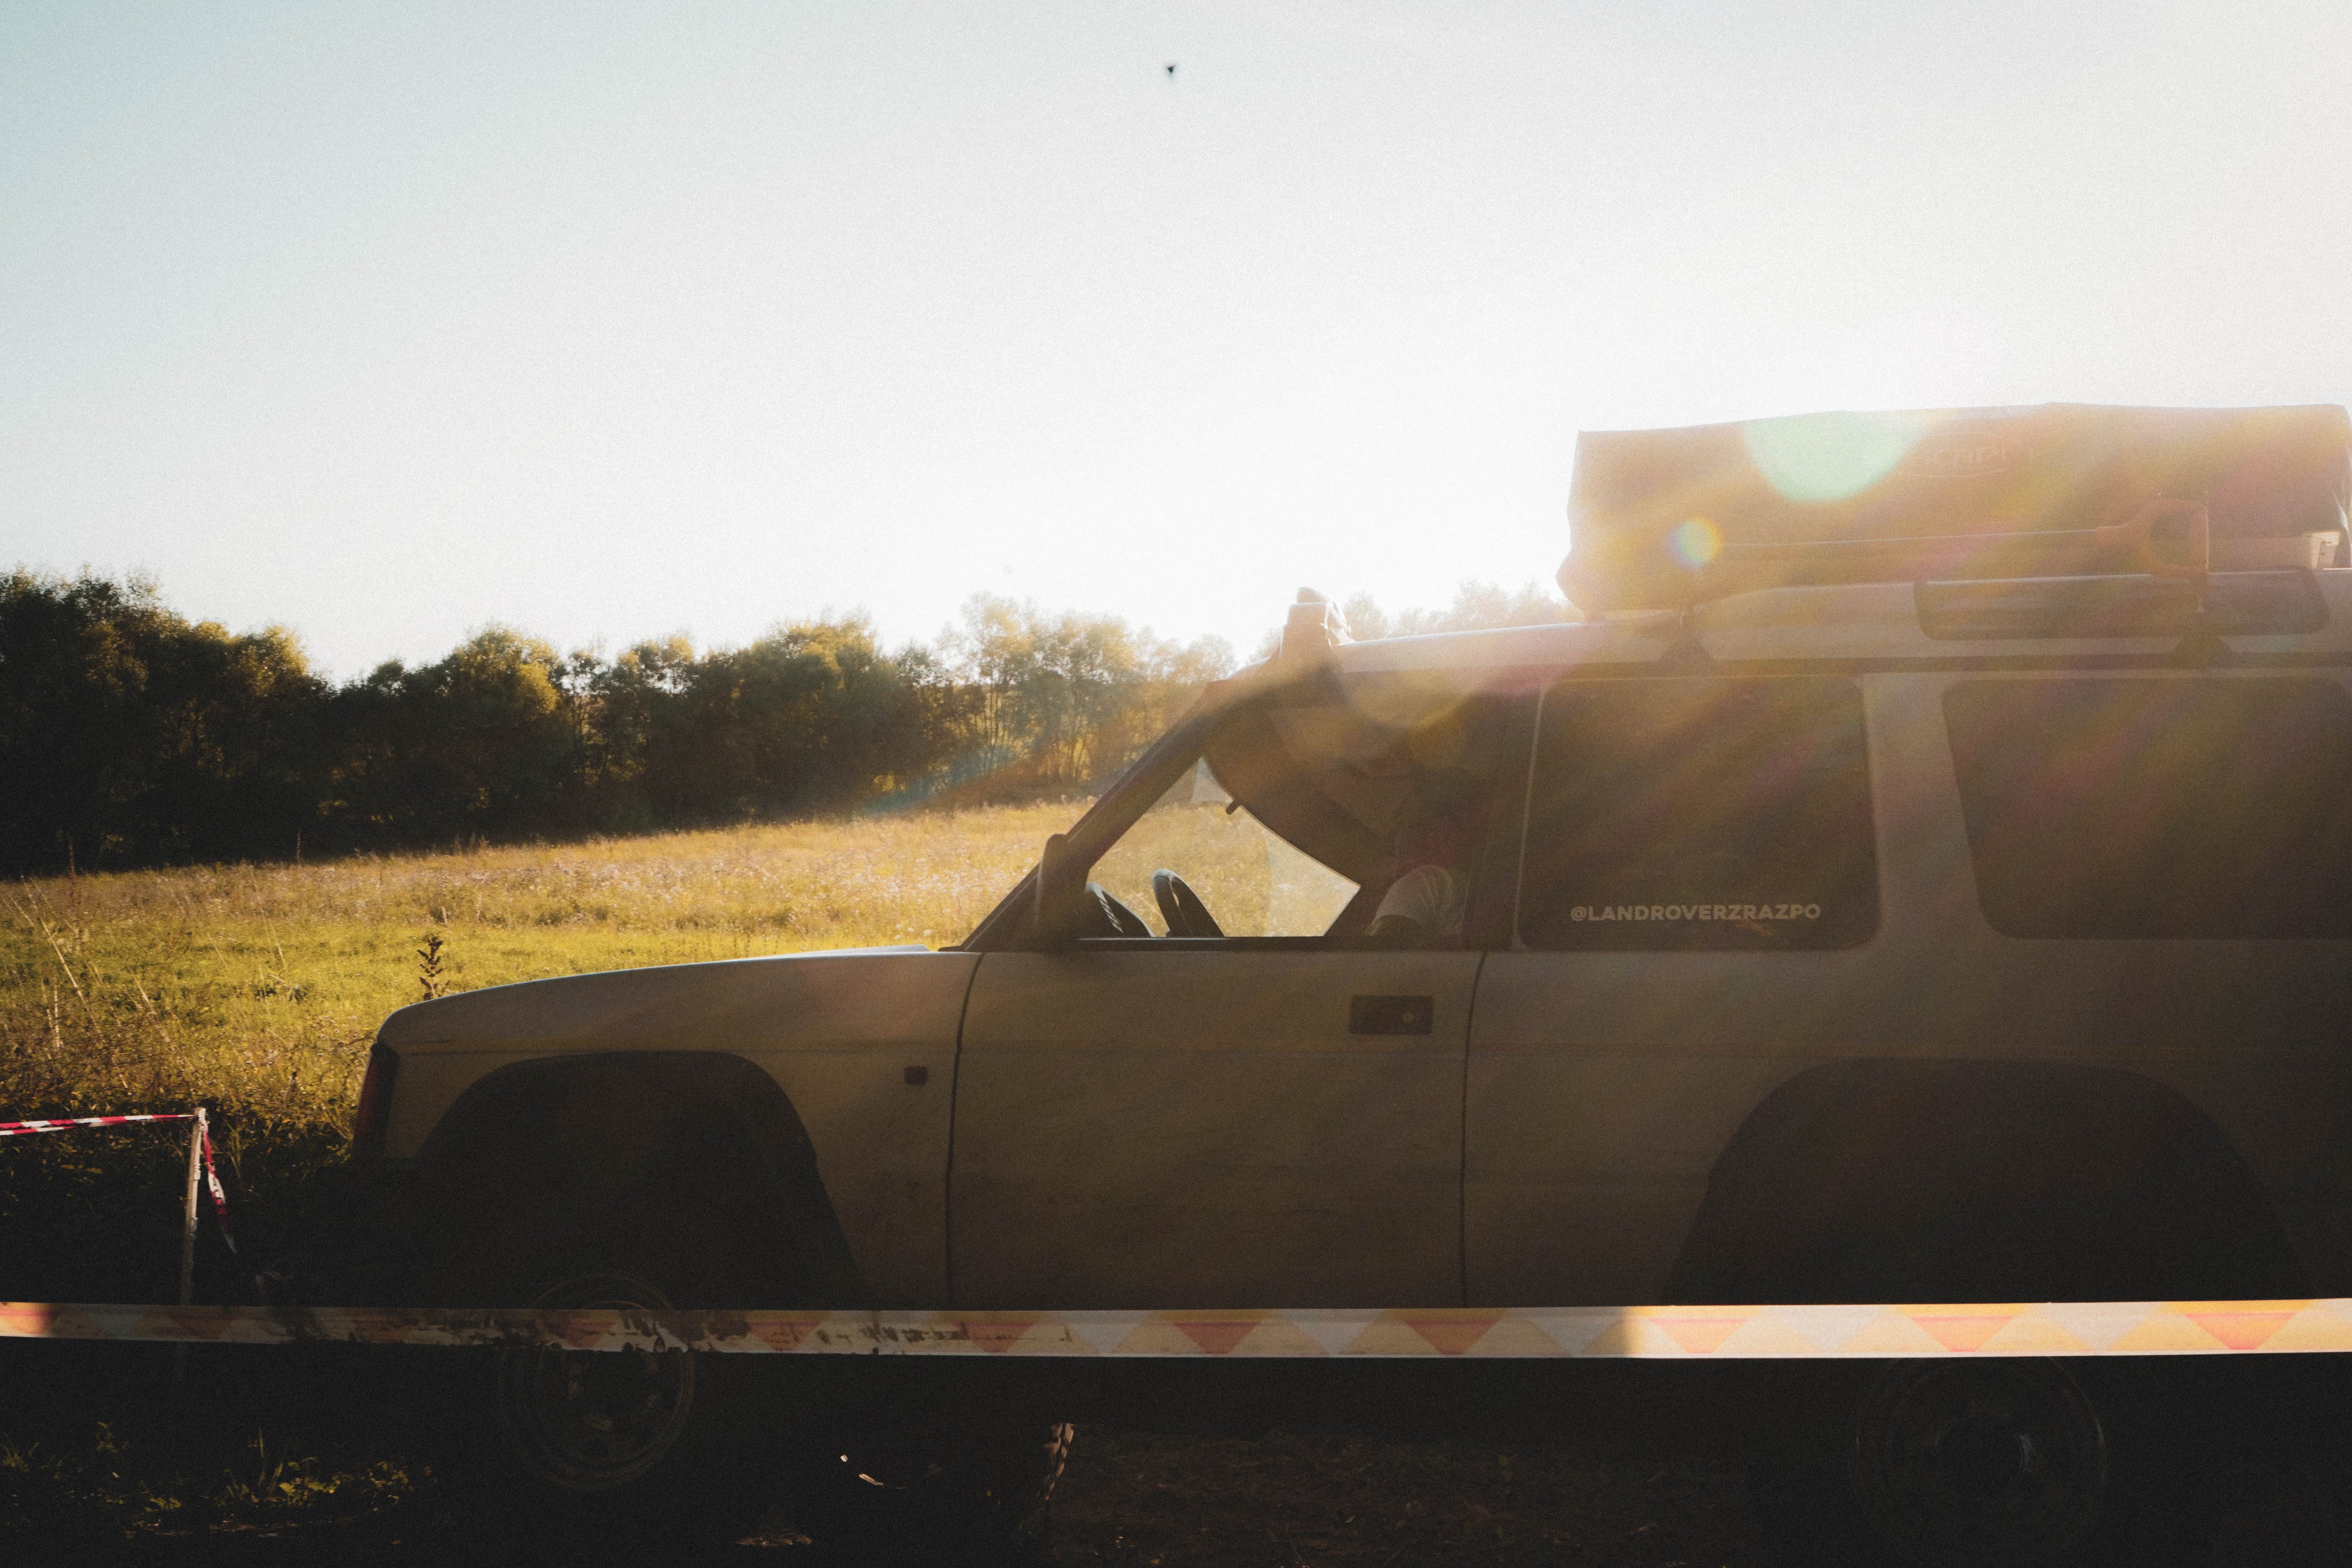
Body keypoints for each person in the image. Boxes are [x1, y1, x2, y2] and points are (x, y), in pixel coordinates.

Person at [1363, 783, 1474, 945]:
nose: (1395, 871)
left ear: (1439, 833)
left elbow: (1379, 955)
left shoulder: (1426, 881)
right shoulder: (1465, 885)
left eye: (1402, 853)